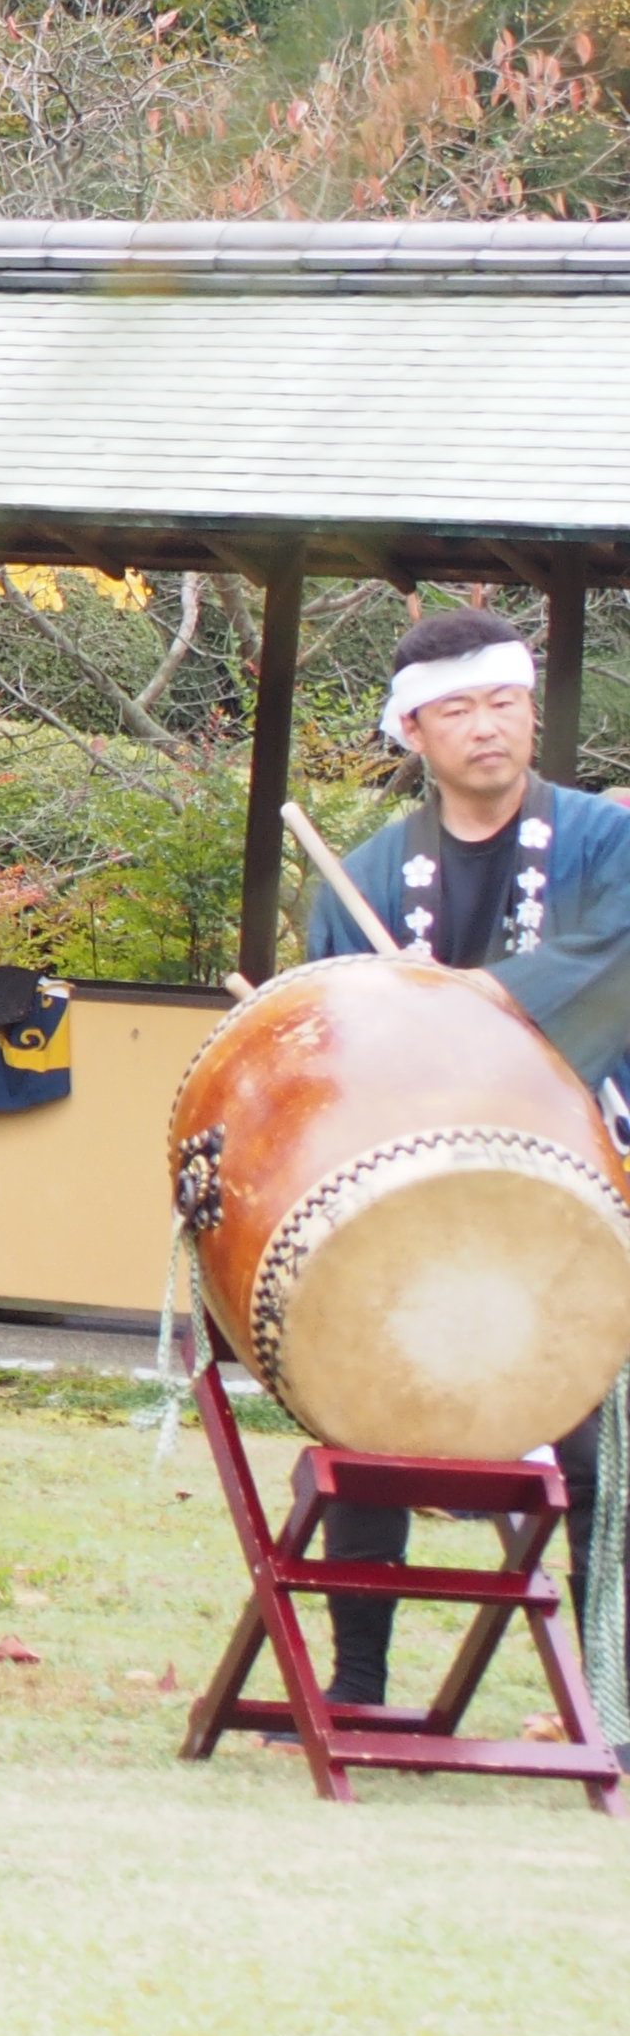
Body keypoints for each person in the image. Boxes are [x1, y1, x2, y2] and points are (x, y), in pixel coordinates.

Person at [308, 603, 630, 1714]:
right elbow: (334, 1042)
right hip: (414, 1190)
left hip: (583, 1177)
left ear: (533, 714)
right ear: (413, 733)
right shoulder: (363, 875)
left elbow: (614, 962)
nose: (488, 726)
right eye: (458, 708)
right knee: (370, 1412)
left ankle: (611, 1713)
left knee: (597, 1456)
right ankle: (355, 1685)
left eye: (506, 702)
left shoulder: (607, 843)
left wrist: (464, 998)